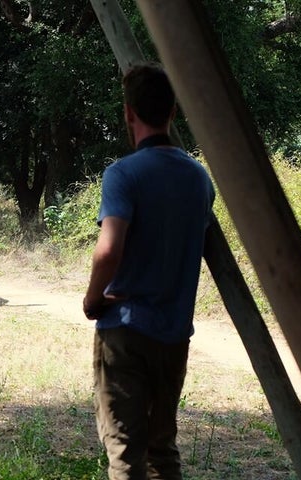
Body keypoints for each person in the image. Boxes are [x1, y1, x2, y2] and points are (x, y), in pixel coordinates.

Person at [83, 63, 215, 480]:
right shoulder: (199, 178)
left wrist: (92, 300)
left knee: (124, 453)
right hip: (174, 335)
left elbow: (109, 250)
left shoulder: (123, 174)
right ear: (173, 112)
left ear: (128, 113)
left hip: (126, 330)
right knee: (162, 450)